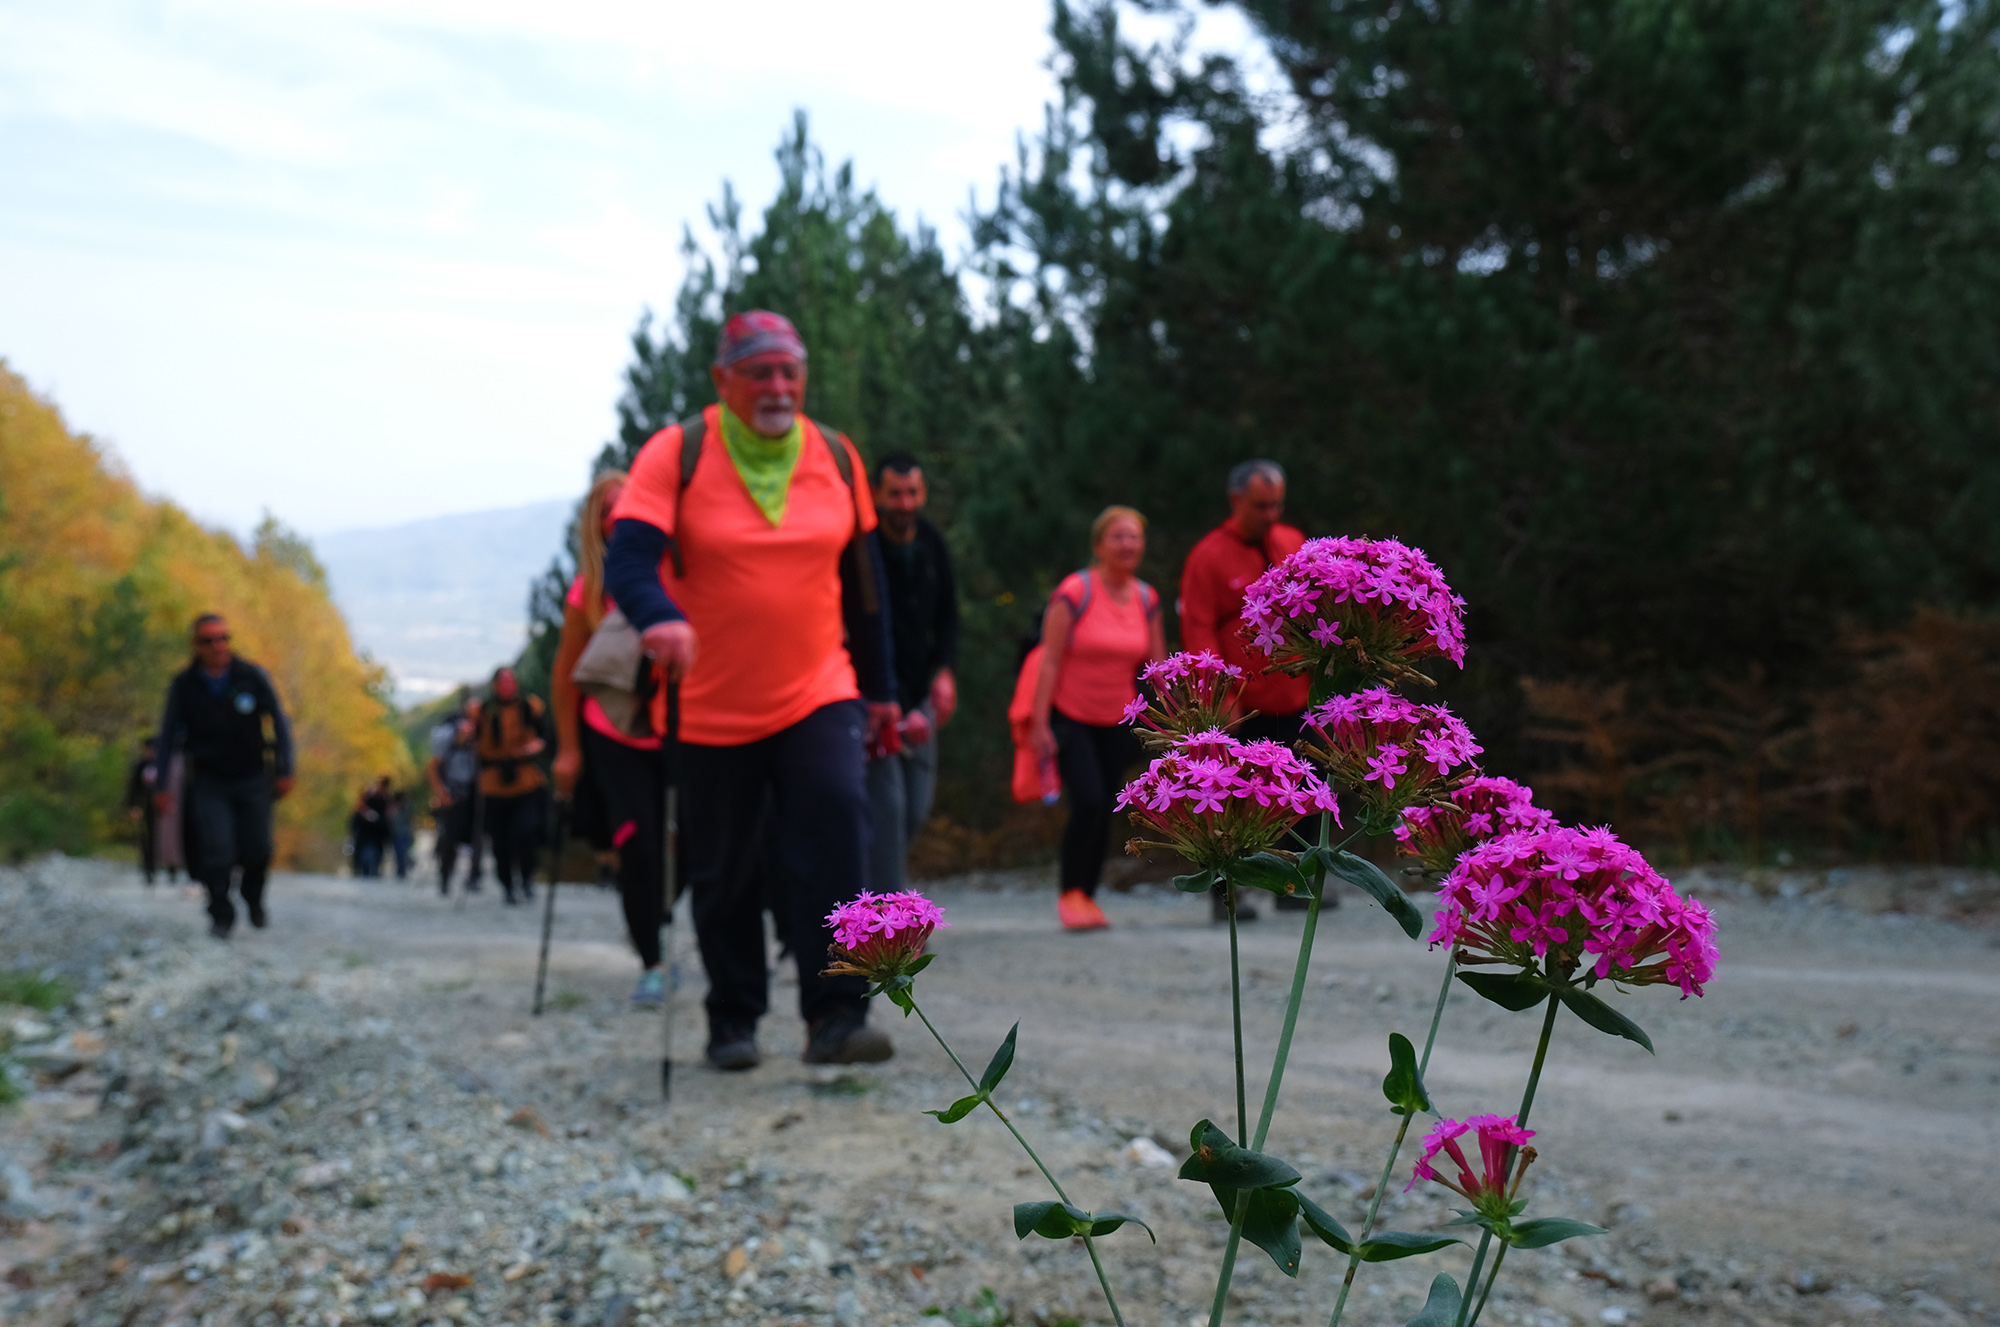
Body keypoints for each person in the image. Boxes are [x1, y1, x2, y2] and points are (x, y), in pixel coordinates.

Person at [604, 309, 901, 1071]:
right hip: (708, 700)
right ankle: (732, 1018)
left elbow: (865, 586)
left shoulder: (835, 455)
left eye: (789, 372)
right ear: (721, 380)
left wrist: (882, 690)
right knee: (725, 866)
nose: (777, 386)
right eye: (759, 371)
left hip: (818, 686)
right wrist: (660, 617)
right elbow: (628, 561)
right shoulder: (679, 452)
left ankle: (837, 1013)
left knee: (836, 827)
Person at [551, 470, 674, 1008]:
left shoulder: (676, 571)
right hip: (611, 735)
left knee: (691, 844)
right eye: (606, 510)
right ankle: (652, 960)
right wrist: (569, 749)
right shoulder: (589, 590)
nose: (617, 517)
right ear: (594, 525)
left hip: (677, 729)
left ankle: (657, 919)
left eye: (626, 506)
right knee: (638, 846)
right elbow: (565, 673)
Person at [1179, 459, 1312, 916]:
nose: (1270, 515)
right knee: (1232, 805)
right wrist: (1221, 701)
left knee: (1301, 794)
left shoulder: (1292, 542)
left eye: (1276, 505)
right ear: (1236, 500)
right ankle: (1226, 896)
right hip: (1244, 707)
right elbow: (1198, 634)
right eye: (1261, 506)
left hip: (1296, 698)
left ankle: (1295, 889)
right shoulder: (1208, 556)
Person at [1026, 506, 1166, 931]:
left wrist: (1172, 721)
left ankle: (1088, 897)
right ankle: (1070, 894)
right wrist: (1038, 724)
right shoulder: (1075, 591)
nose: (1127, 545)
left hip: (1119, 719)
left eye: (1134, 537)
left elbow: (1158, 666)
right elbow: (1048, 661)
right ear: (1099, 545)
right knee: (1086, 800)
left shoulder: (1147, 598)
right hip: (1070, 716)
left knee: (1105, 804)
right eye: (1118, 537)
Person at [154, 613, 295, 937]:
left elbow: (280, 722)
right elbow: (166, 737)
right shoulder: (185, 685)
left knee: (258, 848)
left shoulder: (252, 677)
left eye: (222, 638)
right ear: (196, 645)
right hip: (209, 781)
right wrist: (162, 785)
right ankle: (220, 913)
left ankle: (253, 895)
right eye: (209, 640)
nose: (217, 646)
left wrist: (287, 767)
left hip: (253, 777)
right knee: (217, 850)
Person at [866, 451, 960, 894]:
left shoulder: (931, 543)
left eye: (912, 493)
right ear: (876, 496)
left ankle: (860, 897)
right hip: (873, 696)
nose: (905, 503)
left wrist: (944, 672)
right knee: (887, 813)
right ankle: (886, 927)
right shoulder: (863, 549)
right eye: (895, 494)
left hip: (920, 694)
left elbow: (948, 618)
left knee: (915, 810)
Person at [468, 668, 548, 905]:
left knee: (526, 831)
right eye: (502, 681)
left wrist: (531, 749)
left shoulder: (530, 706)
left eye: (511, 680)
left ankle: (527, 878)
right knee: (500, 840)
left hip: (525, 779)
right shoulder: (481, 710)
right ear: (494, 685)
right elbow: (470, 740)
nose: (507, 685)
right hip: (493, 783)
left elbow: (545, 736)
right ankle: (507, 885)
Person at [426, 711, 481, 895]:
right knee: (450, 838)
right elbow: (433, 769)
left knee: (477, 837)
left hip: (474, 794)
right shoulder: (446, 744)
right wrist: (442, 794)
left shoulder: (478, 743)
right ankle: (445, 877)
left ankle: (474, 877)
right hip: (452, 795)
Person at [124, 737, 169, 884]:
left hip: (166, 809)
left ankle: (172, 867)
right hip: (147, 808)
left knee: (166, 838)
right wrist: (133, 806)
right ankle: (149, 869)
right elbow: (133, 788)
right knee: (148, 838)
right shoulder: (142, 765)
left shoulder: (166, 764)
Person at [350, 776, 392, 877]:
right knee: (361, 851)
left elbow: (388, 812)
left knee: (378, 851)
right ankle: (359, 869)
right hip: (365, 828)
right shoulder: (369, 794)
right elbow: (359, 807)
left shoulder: (386, 797)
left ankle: (374, 869)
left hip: (378, 830)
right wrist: (367, 814)